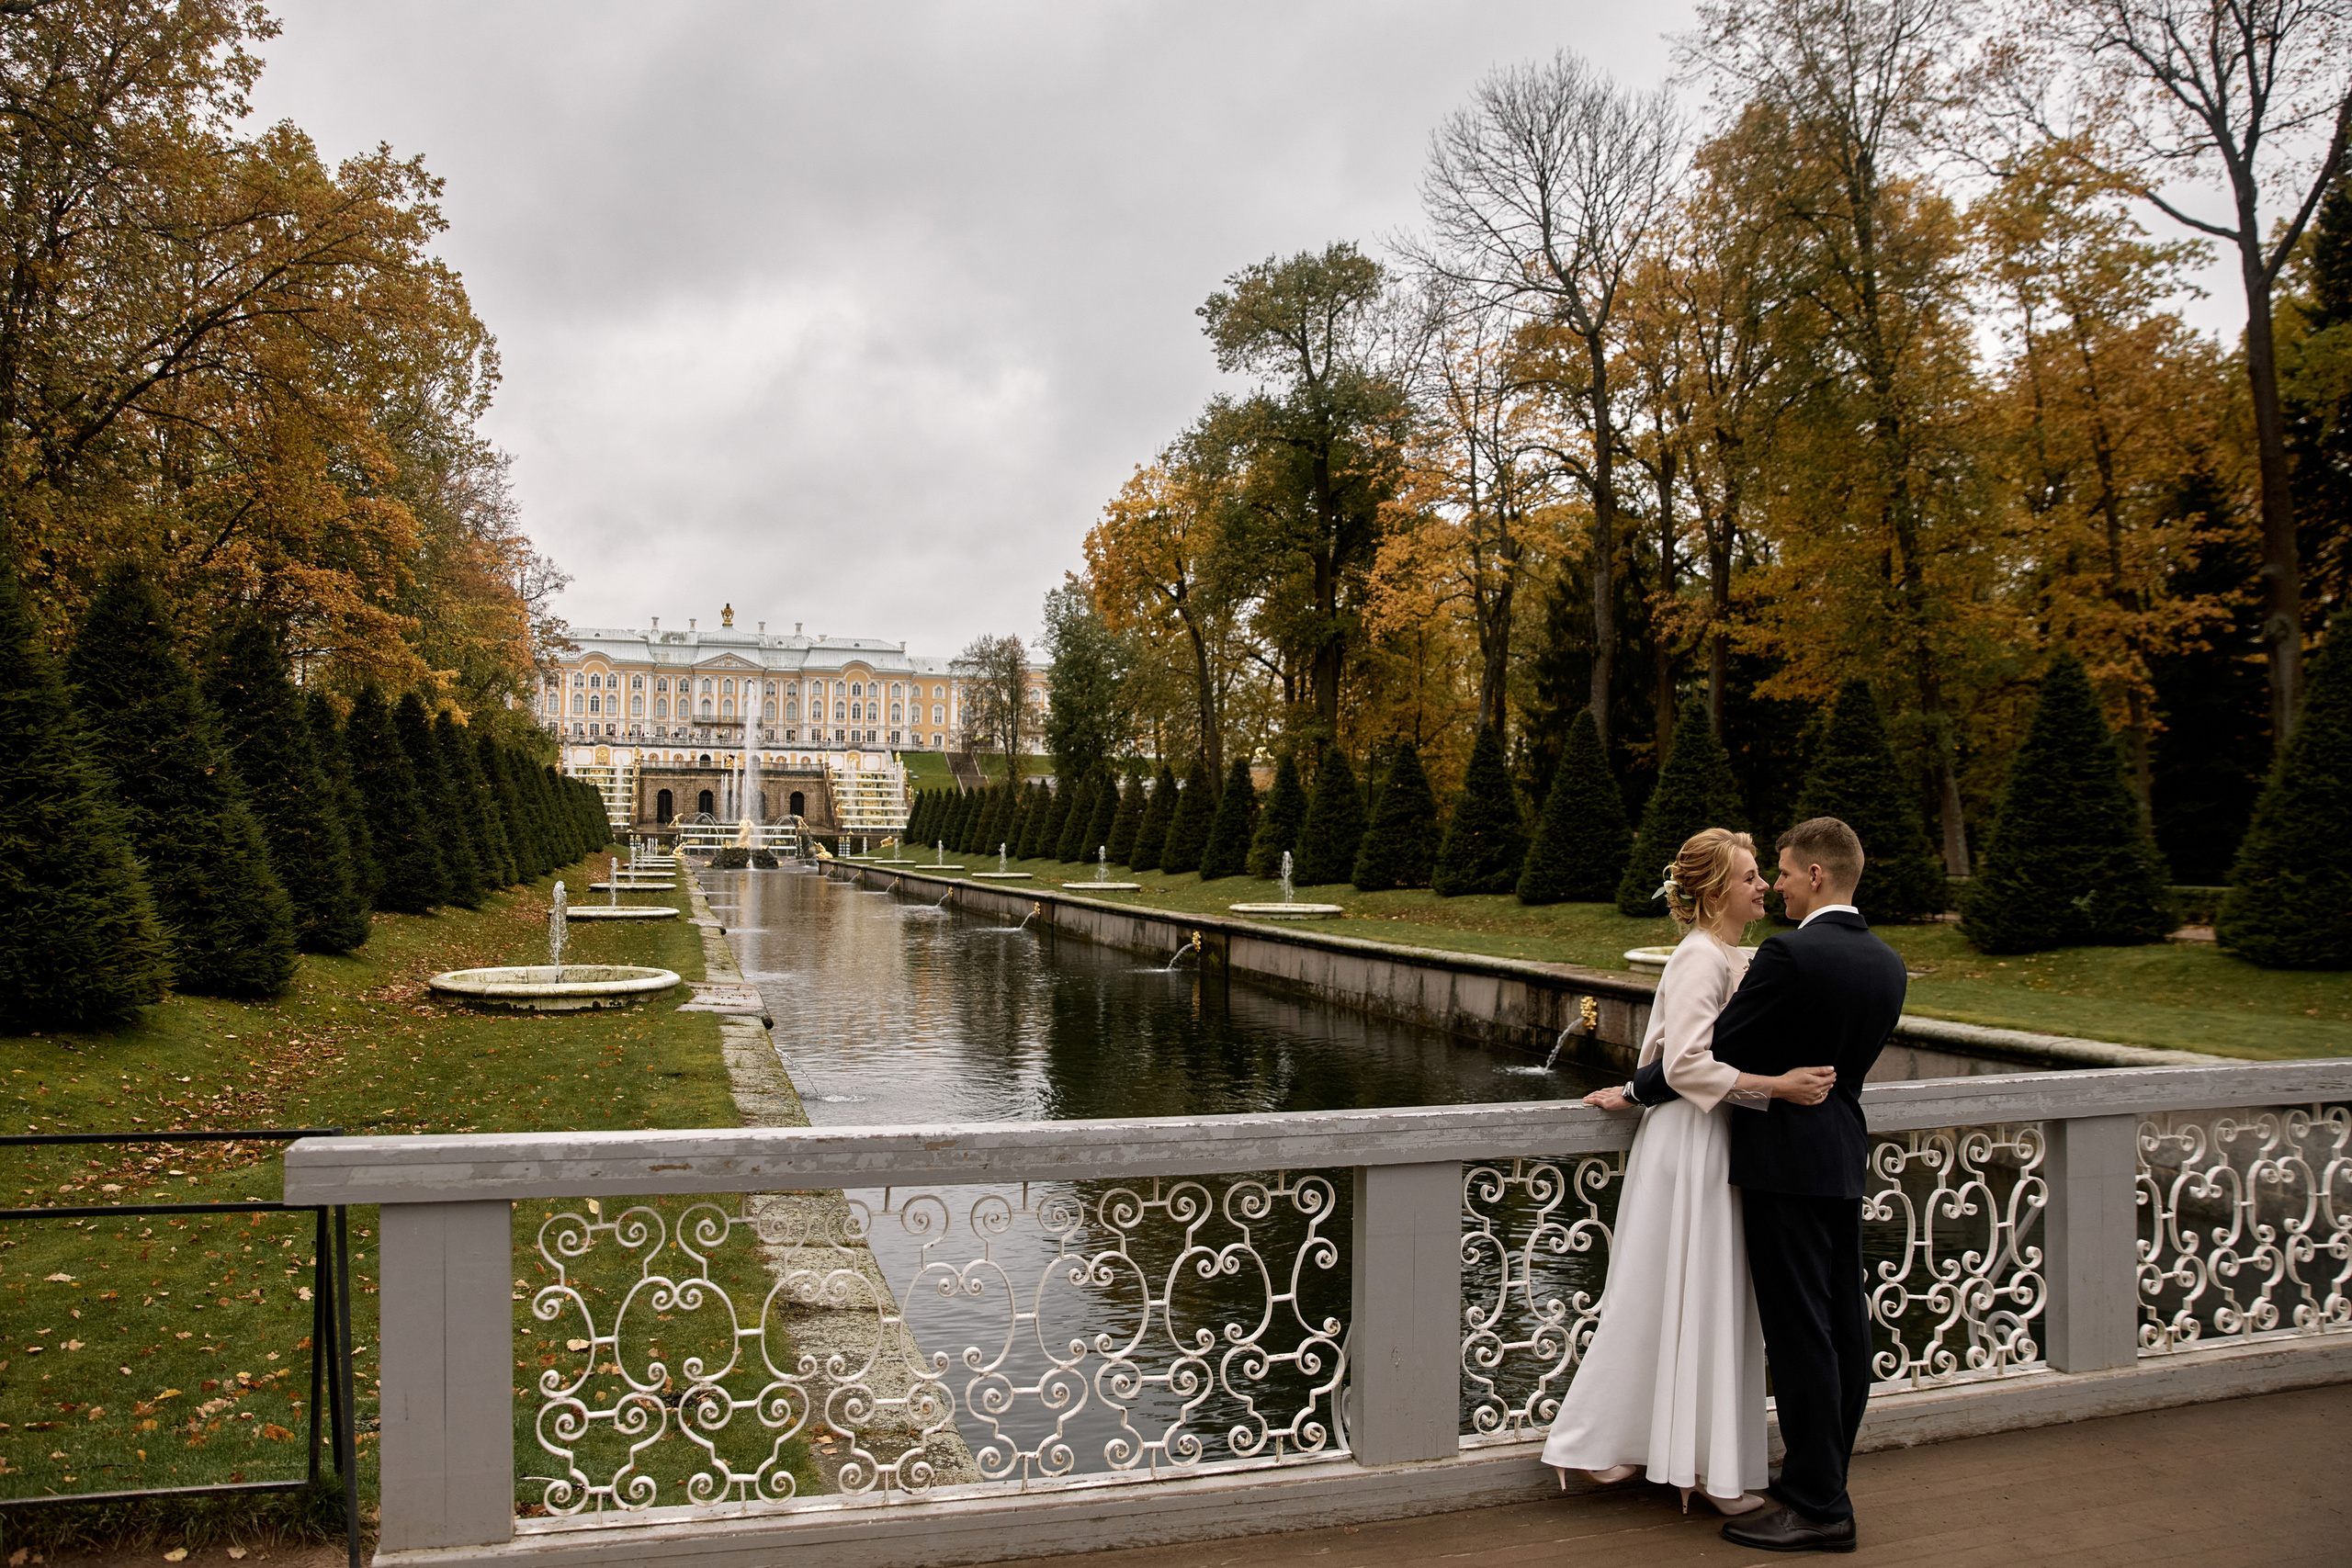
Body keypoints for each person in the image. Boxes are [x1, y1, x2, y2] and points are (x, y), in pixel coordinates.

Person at [1631, 817, 1907, 1554]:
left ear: (1815, 875)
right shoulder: (1888, 962)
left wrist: (1637, 1087)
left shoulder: (1788, 954)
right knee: (1846, 1329)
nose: (1775, 882)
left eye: (1783, 871)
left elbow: (1713, 1051)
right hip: (1844, 1153)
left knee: (1799, 1334)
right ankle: (1823, 1477)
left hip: (1784, 1159)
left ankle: (1817, 1502)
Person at [1542, 828, 1837, 1516]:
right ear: (1712, 892)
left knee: (1706, 1291)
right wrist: (1780, 1086)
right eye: (1749, 876)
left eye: (1763, 874)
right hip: (1692, 1139)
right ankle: (1650, 1455)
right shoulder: (1699, 957)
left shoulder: (1735, 953)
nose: (1763, 884)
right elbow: (1687, 1065)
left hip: (1714, 1131)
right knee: (1680, 1287)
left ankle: (1674, 1453)